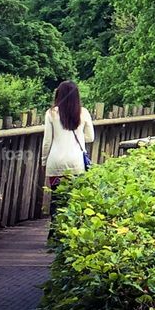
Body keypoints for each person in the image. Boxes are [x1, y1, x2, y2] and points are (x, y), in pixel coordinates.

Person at [41, 80, 95, 236]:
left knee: (57, 198)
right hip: (76, 163)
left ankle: (54, 234)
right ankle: (70, 234)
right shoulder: (83, 112)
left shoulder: (51, 113)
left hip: (56, 163)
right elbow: (90, 137)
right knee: (74, 199)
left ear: (59, 94)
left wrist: (44, 161)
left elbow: (47, 141)